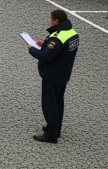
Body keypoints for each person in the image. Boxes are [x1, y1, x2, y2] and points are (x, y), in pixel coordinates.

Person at [28, 10, 79, 143]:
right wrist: (44, 44)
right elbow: (60, 51)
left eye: (51, 18)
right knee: (58, 102)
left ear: (56, 21)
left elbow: (46, 57)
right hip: (63, 74)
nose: (50, 20)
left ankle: (50, 135)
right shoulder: (72, 33)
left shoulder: (56, 37)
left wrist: (31, 48)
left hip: (52, 75)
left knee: (49, 104)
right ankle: (56, 129)